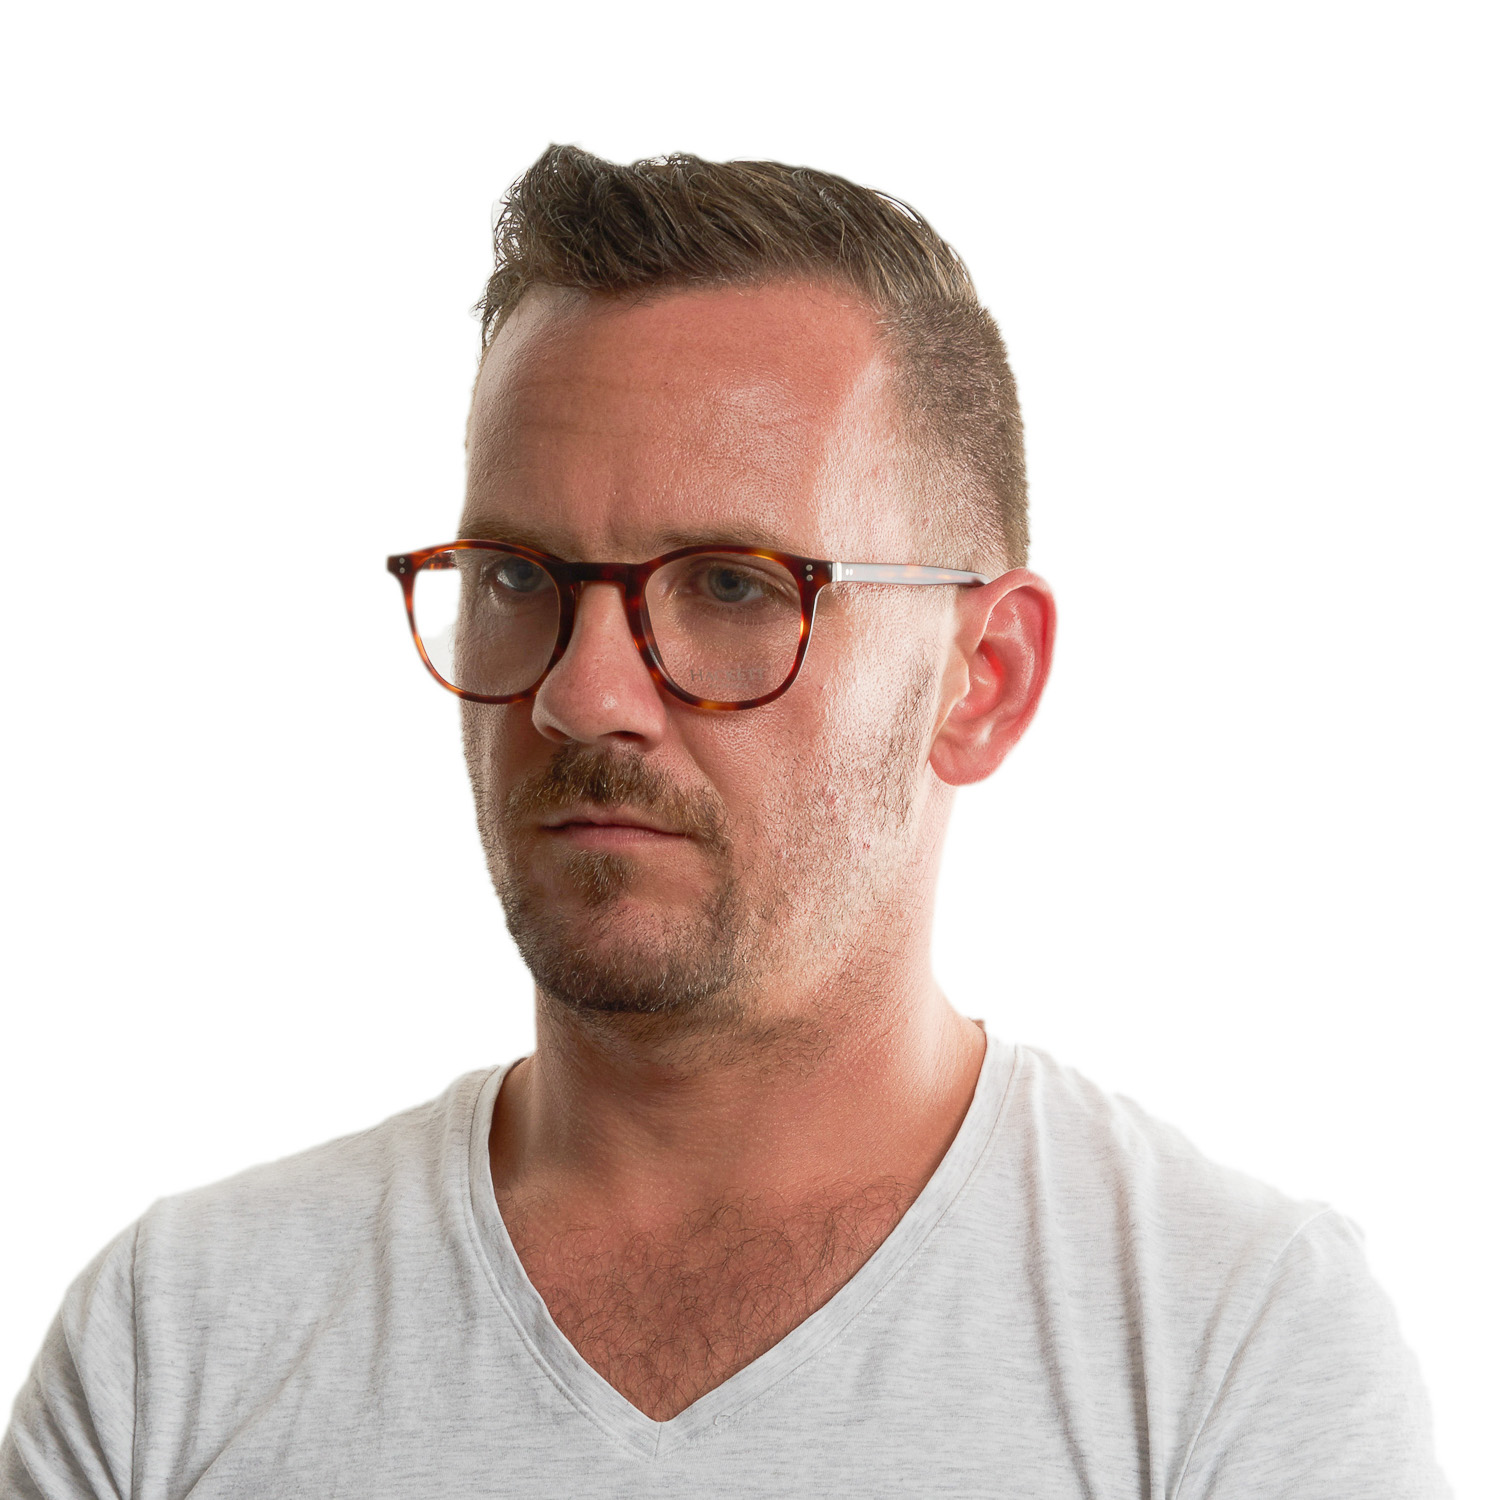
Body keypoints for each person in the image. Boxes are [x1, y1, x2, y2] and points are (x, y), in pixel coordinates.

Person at [2, 145, 1448, 1499]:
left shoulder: (1234, 1353)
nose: (579, 697)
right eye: (516, 578)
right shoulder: (170, 1351)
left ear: (983, 680)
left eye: (734, 585)